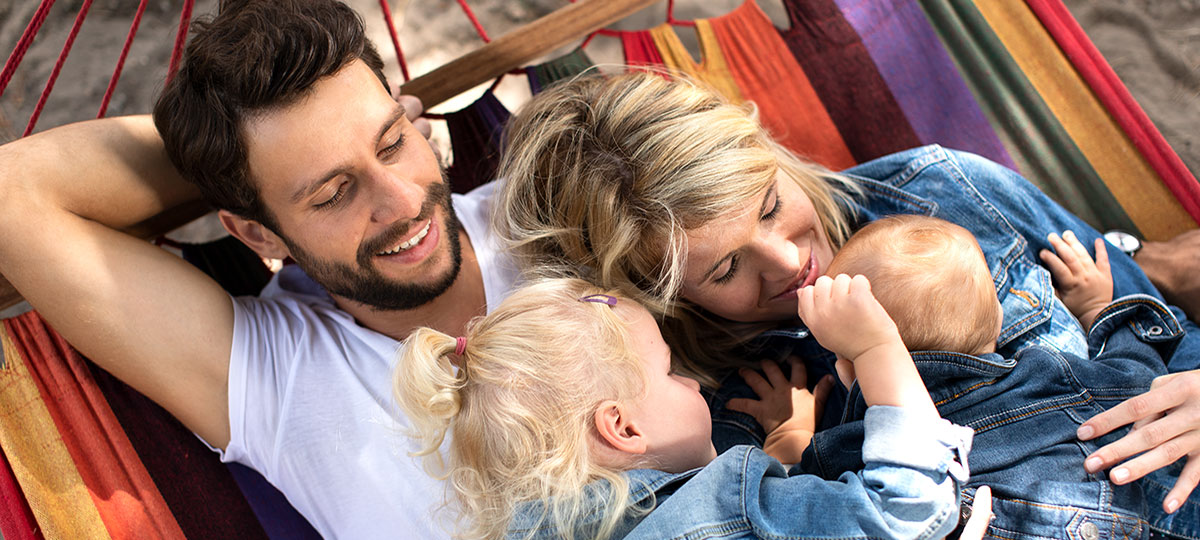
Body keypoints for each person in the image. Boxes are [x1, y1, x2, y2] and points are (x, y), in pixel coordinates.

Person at [494, 71, 1200, 526]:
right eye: (727, 268)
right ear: (664, 298)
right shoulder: (718, 413)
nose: (789, 262)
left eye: (770, 205)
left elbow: (1165, 335)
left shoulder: (944, 190)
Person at [0, 1, 518, 537]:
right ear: (258, 234)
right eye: (334, 193)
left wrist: (322, 142)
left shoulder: (549, 209)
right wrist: (236, 162)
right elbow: (12, 195)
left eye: (392, 143)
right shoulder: (281, 377)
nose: (404, 201)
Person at [394, 276, 973, 539]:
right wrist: (877, 349)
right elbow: (903, 514)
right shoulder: (723, 509)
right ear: (622, 427)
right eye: (671, 372)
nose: (696, 384)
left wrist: (783, 453)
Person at [742, 214, 1174, 536]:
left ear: (849, 367)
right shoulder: (1048, 375)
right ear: (999, 319)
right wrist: (1097, 308)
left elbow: (801, 512)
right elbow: (1138, 380)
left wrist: (788, 435)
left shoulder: (852, 446)